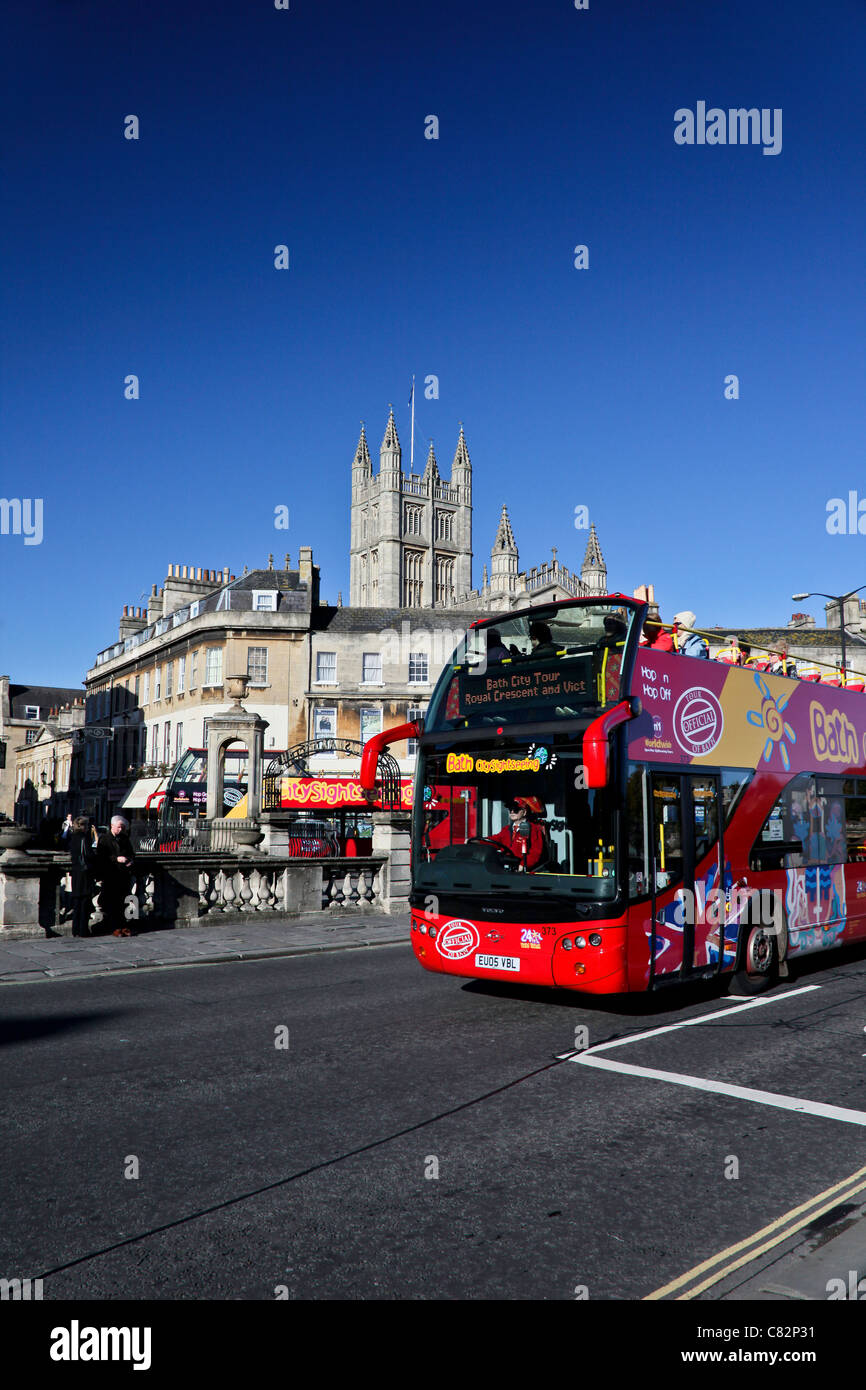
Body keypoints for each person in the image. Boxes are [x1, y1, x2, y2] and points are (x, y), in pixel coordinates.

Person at [96, 815, 137, 936]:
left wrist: (130, 860)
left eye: (122, 827)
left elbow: (131, 853)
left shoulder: (124, 838)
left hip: (123, 874)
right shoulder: (104, 839)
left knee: (124, 901)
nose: (120, 829)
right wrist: (116, 859)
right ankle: (115, 927)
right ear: (112, 826)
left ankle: (123, 925)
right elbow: (101, 857)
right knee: (112, 902)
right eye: (118, 827)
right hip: (111, 874)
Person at [485, 798, 546, 871]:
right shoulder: (506, 829)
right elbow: (495, 840)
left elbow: (535, 852)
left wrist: (523, 865)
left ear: (524, 812)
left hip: (522, 871)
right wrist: (476, 841)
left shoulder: (534, 830)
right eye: (510, 809)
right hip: (506, 868)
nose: (512, 811)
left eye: (516, 809)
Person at [67, 815, 97, 937]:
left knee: (77, 902)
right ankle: (83, 930)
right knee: (85, 901)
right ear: (84, 826)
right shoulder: (84, 838)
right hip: (84, 873)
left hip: (76, 872)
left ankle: (75, 929)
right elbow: (88, 854)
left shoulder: (73, 837)